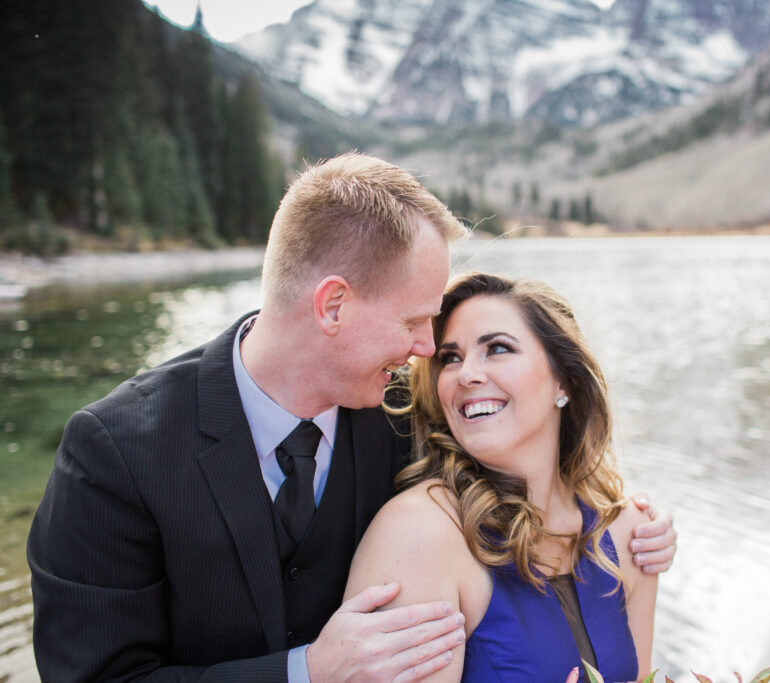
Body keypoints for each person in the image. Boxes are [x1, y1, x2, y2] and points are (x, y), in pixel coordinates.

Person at [27, 153, 676, 683]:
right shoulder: (113, 452)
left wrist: (639, 520)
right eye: (415, 320)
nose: (427, 350)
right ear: (333, 305)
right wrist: (305, 671)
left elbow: (525, 460)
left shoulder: (403, 419)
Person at [345, 272, 658, 682]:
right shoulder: (420, 533)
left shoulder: (630, 535)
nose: (466, 374)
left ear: (565, 380)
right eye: (450, 358)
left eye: (497, 349)